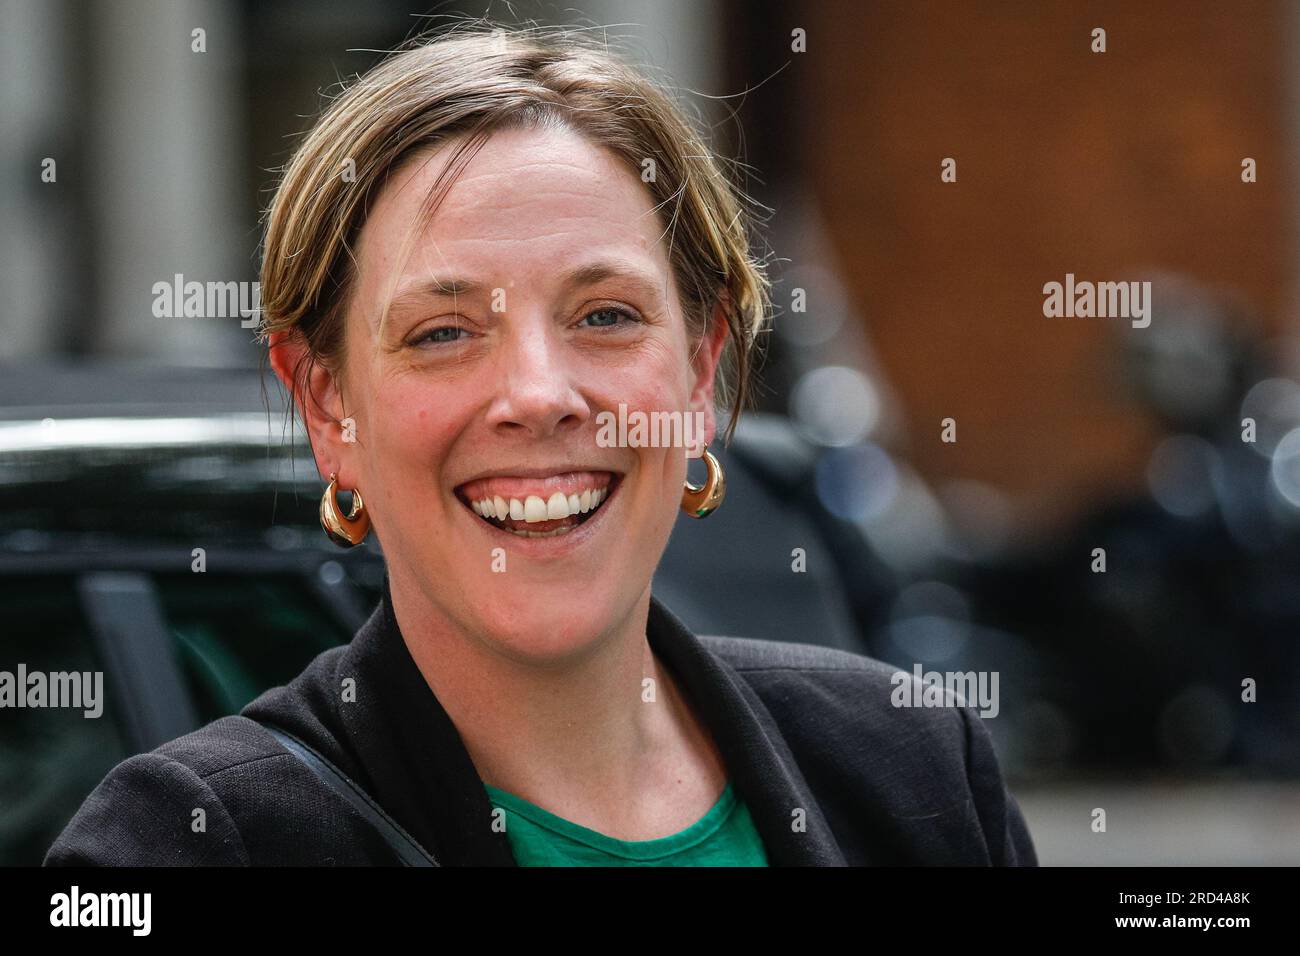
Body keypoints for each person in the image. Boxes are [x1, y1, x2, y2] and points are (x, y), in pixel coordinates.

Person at [44, 24, 1036, 867]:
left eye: (604, 314)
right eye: (442, 331)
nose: (537, 394)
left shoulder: (912, 767)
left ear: (699, 372)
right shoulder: (190, 843)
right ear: (326, 406)